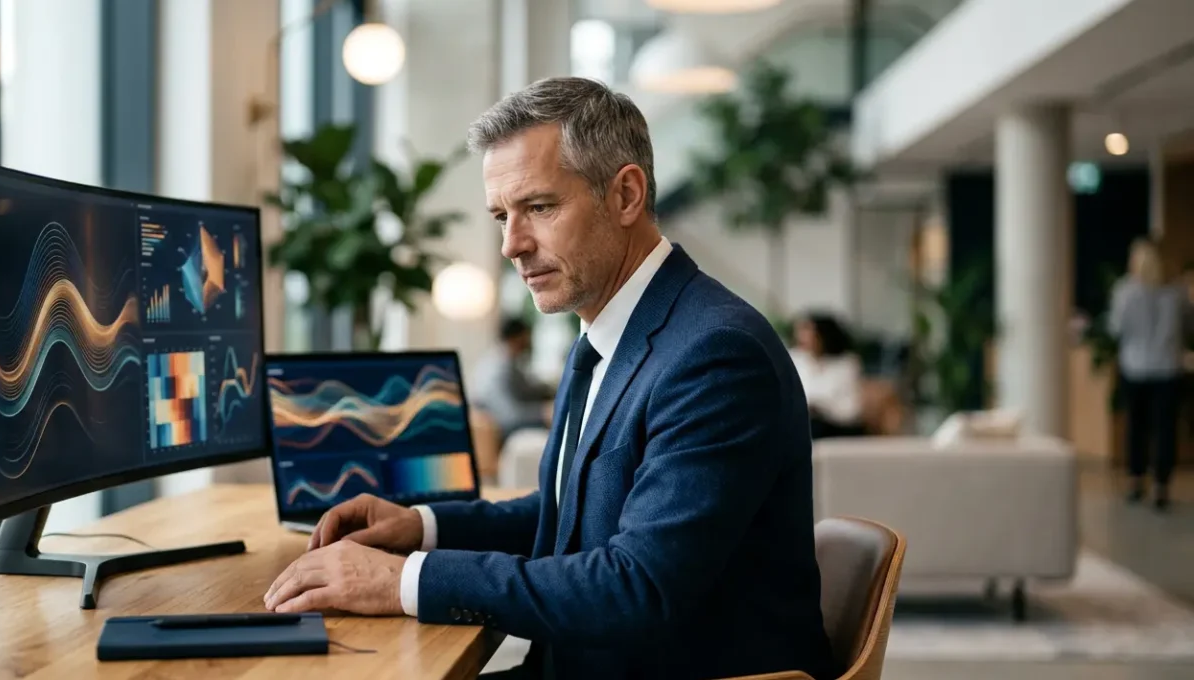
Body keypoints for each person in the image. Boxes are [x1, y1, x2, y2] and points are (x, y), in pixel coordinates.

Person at [263, 77, 837, 680]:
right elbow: (568, 513)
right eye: (500, 216)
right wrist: (421, 526)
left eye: (539, 207)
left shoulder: (715, 354)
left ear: (626, 195)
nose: (512, 244)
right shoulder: (604, 334)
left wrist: (402, 581)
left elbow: (636, 588)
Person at [1109, 238, 1191, 512]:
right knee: (1165, 429)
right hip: (1168, 368)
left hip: (1135, 367)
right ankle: (1161, 486)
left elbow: (1115, 328)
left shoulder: (1125, 291)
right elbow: (1189, 326)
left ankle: (1135, 481)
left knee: (1136, 426)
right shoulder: (1178, 292)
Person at [473, 317, 556, 441]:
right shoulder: (499, 369)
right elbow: (509, 417)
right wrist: (543, 413)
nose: (530, 342)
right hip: (503, 433)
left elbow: (527, 388)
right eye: (527, 336)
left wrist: (552, 388)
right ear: (518, 338)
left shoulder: (504, 361)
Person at [789, 312, 866, 438]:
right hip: (804, 419)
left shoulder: (846, 364)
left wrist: (822, 407)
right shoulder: (795, 359)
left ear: (822, 335)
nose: (801, 337)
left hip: (837, 424)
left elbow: (851, 409)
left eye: (807, 331)